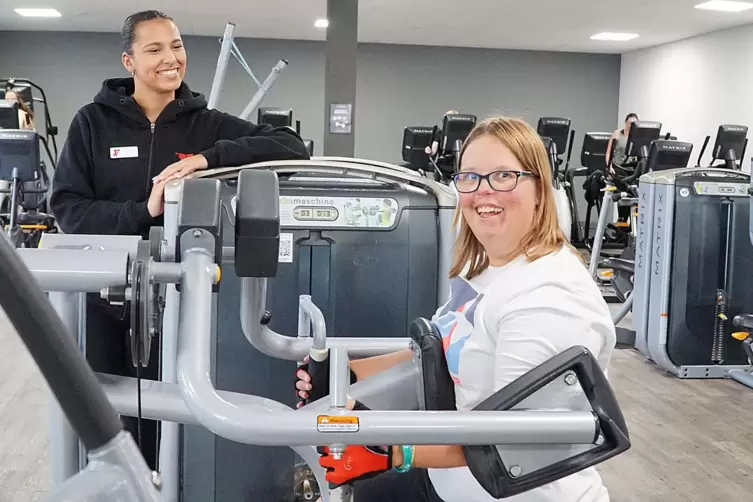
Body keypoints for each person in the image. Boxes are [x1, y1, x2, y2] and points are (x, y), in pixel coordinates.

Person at [296, 116, 617, 502]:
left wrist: (393, 452)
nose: (484, 192)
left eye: (503, 175)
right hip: (454, 486)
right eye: (470, 177)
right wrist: (344, 372)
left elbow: (516, 442)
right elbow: (442, 354)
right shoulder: (485, 269)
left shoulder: (548, 297)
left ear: (539, 191)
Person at [49, 9, 309, 470]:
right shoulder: (92, 123)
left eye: (177, 46)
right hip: (107, 302)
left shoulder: (205, 124)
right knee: (109, 426)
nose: (171, 59)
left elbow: (291, 147)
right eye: (154, 49)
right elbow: (68, 208)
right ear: (129, 61)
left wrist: (210, 158)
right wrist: (142, 212)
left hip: (182, 306)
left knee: (178, 427)